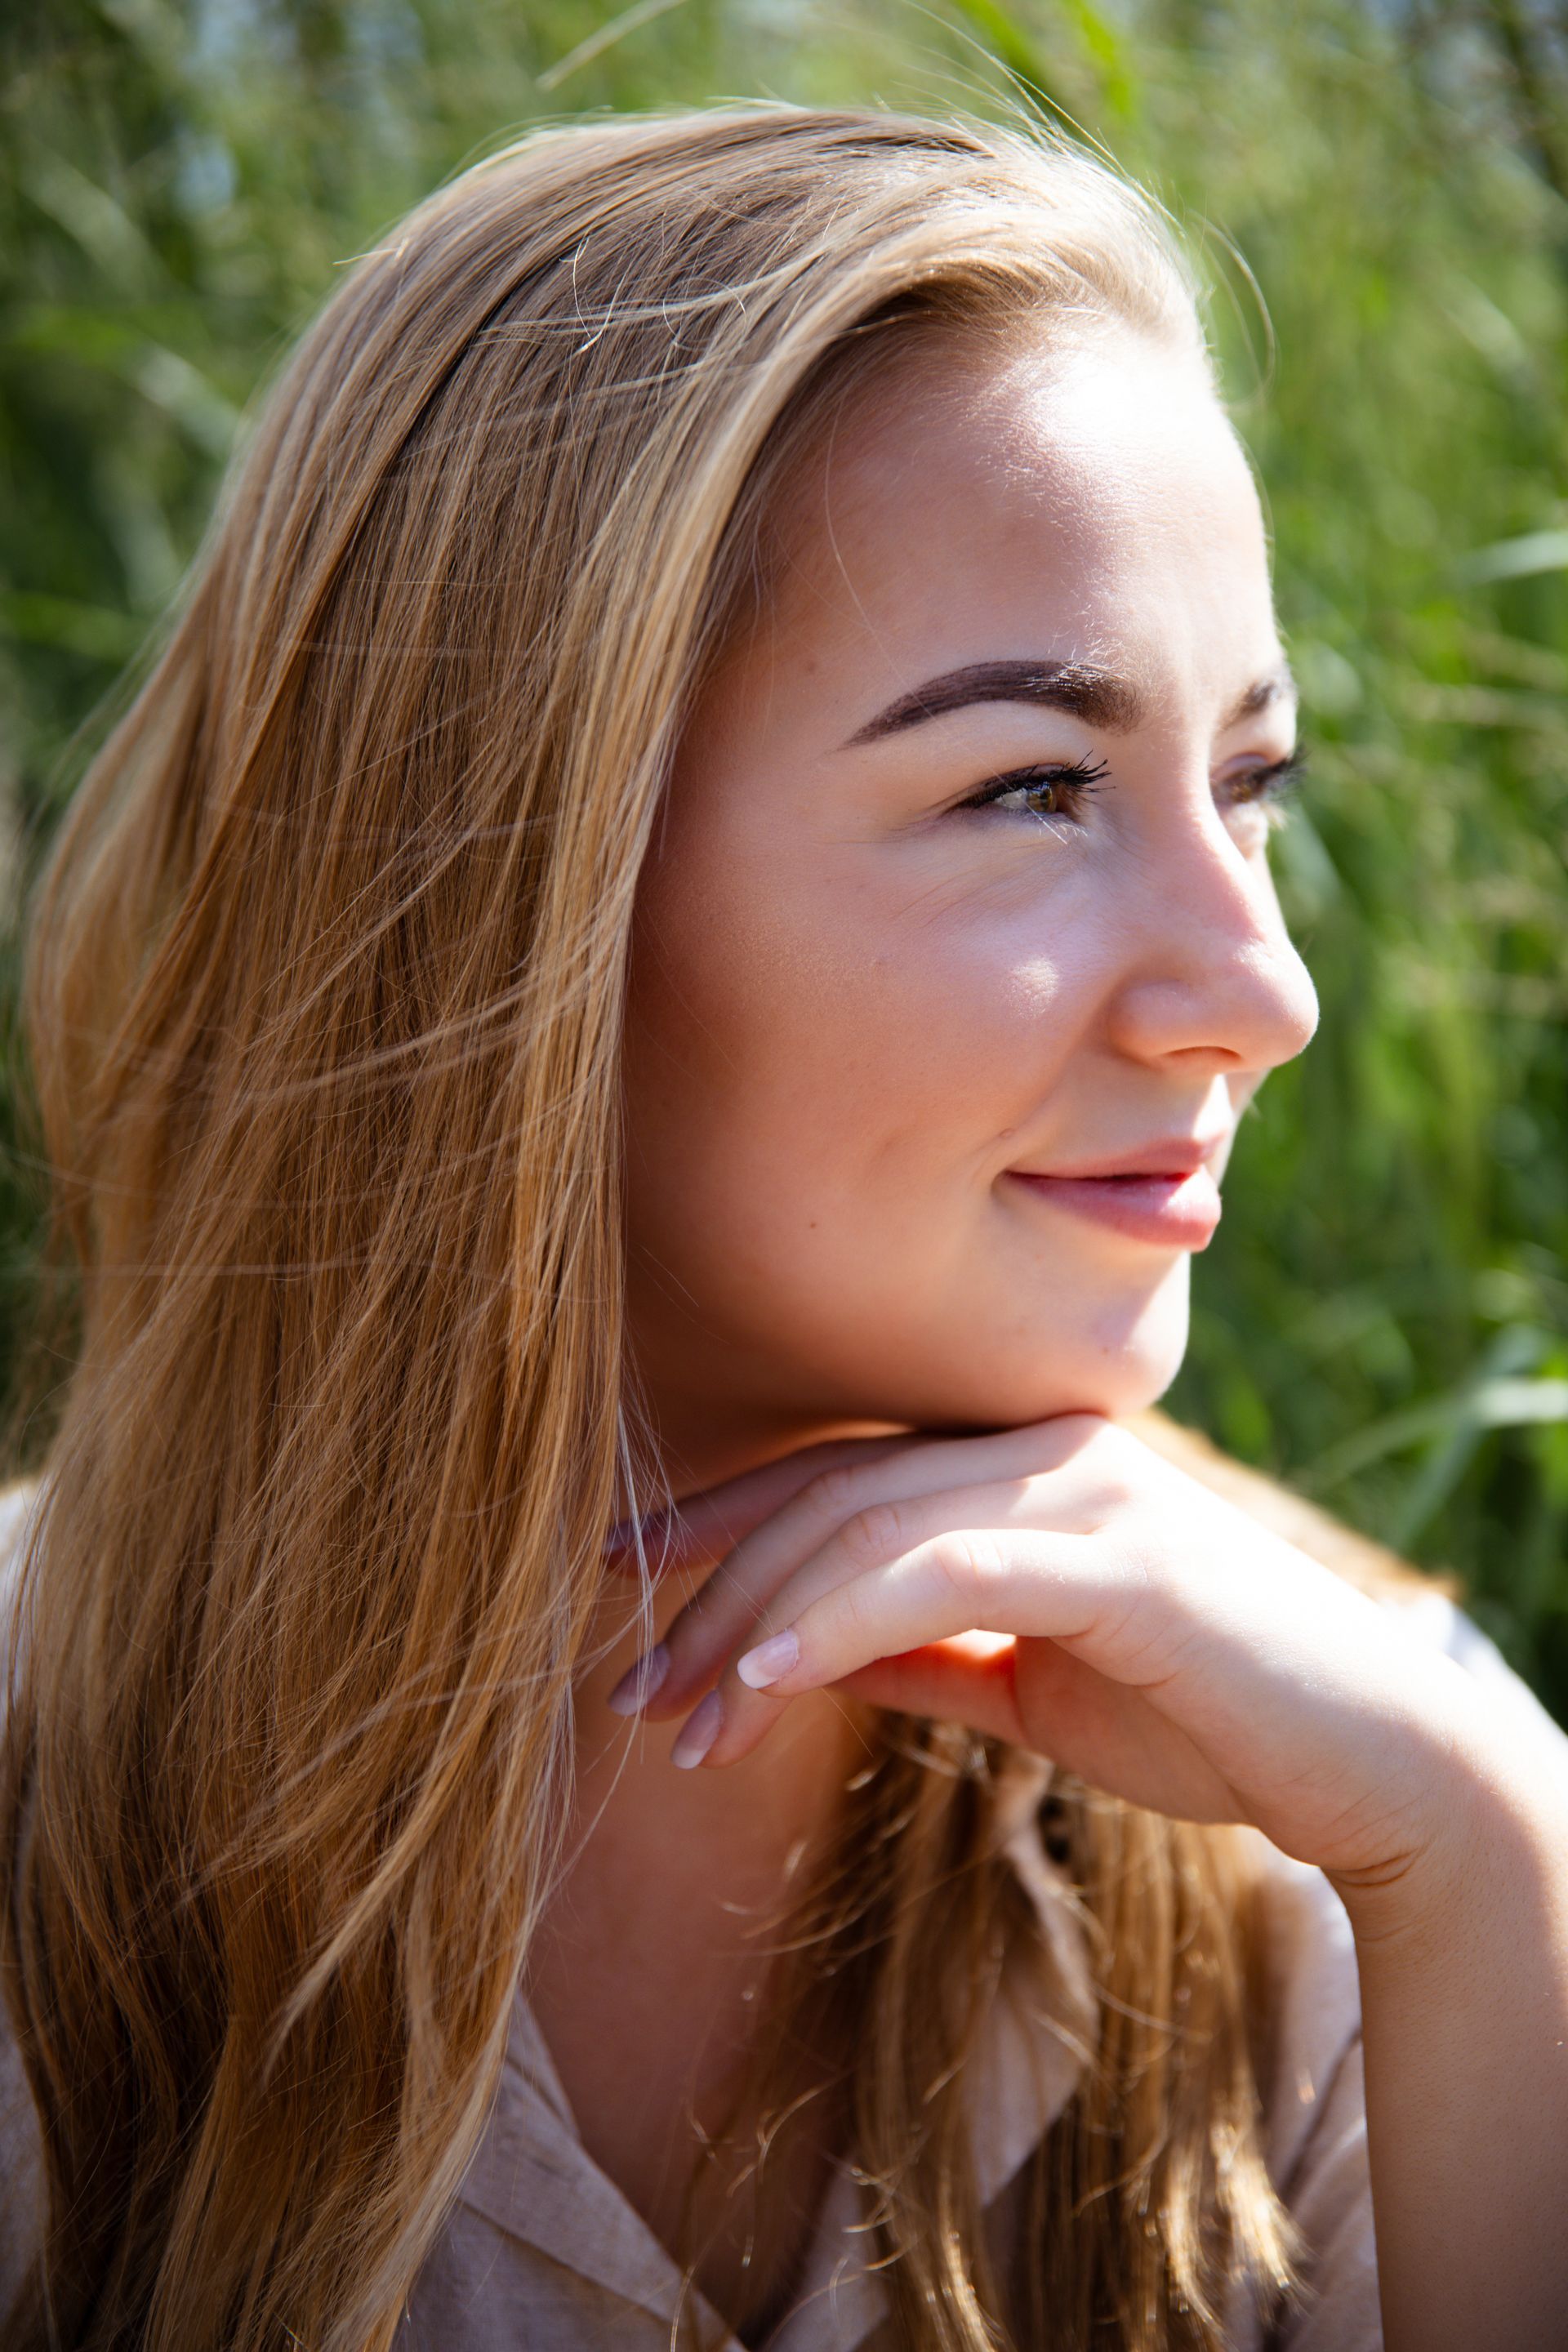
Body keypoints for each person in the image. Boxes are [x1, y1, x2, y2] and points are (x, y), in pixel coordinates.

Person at [1, 104, 1565, 2352]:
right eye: (1031, 787)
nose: (1267, 993)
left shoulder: (1347, 1825)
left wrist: (1497, 1877)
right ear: (507, 897)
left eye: (1250, 789)